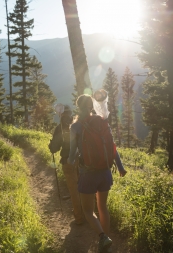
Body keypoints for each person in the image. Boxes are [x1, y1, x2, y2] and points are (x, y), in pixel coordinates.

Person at [67, 94, 125, 253]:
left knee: (87, 210)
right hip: (105, 172)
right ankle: (106, 241)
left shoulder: (76, 126)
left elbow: (72, 153)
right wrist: (120, 168)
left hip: (88, 174)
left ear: (78, 106)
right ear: (91, 106)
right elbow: (113, 148)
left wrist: (69, 163)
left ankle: (102, 237)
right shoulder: (102, 121)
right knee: (103, 207)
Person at [49, 104, 85, 225]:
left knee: (73, 189)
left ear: (61, 114)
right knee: (84, 187)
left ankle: (79, 217)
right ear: (70, 114)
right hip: (82, 161)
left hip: (67, 161)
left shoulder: (60, 128)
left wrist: (51, 145)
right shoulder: (77, 125)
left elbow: (54, 148)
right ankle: (89, 213)